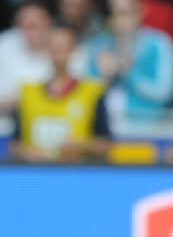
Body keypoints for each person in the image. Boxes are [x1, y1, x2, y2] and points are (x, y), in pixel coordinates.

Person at [11, 20, 110, 162]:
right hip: (34, 177)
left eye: (63, 48)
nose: (58, 54)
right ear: (46, 49)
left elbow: (106, 145)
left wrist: (81, 145)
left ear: (73, 50)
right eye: (54, 48)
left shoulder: (93, 92)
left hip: (76, 175)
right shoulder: (27, 93)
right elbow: (15, 144)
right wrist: (26, 152)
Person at [84, 0, 173, 124]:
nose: (117, 20)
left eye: (123, 13)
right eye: (112, 13)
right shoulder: (98, 45)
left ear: (140, 11)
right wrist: (102, 78)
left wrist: (129, 74)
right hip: (105, 129)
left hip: (146, 128)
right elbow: (84, 94)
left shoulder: (159, 44)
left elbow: (163, 92)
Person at [0, 0, 51, 112]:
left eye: (35, 25)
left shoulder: (61, 46)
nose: (31, 31)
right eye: (26, 25)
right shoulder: (3, 44)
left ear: (48, 22)